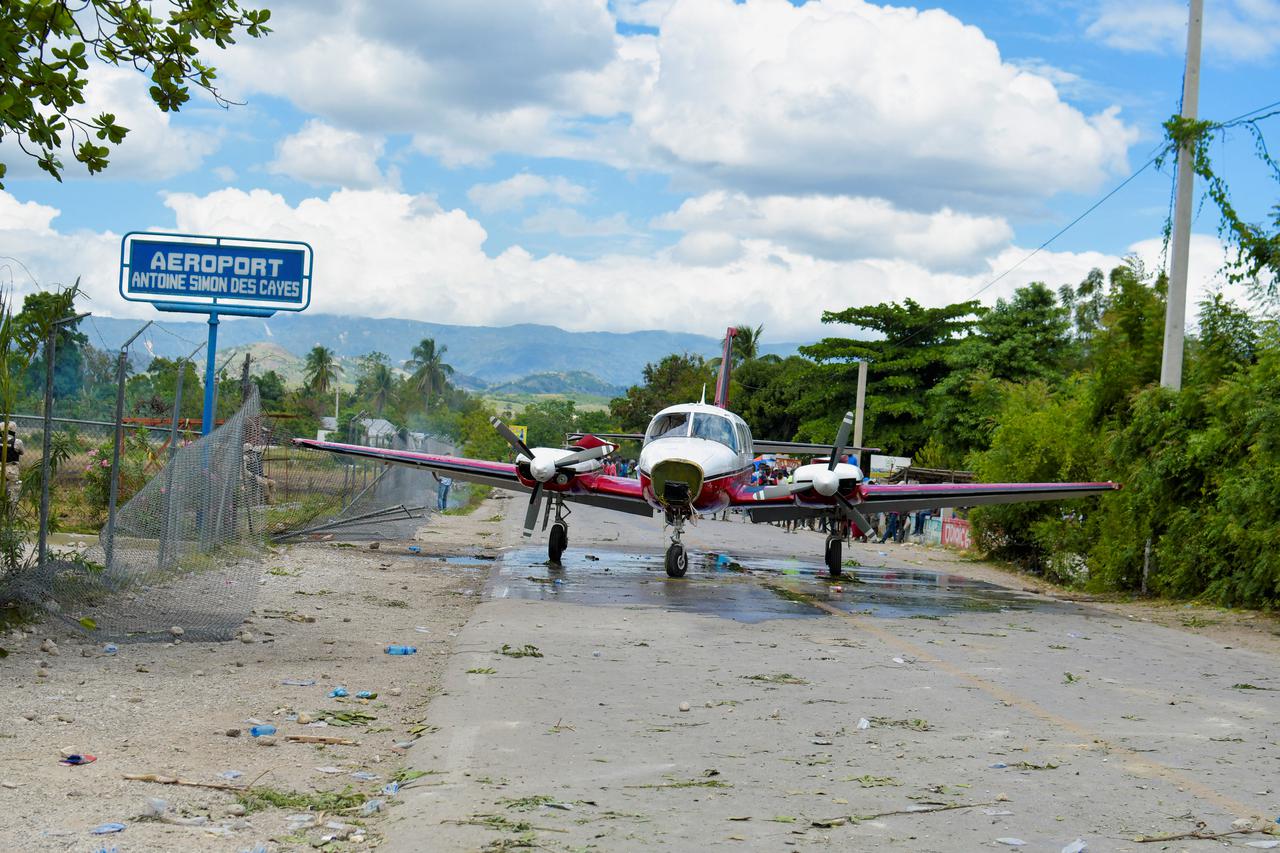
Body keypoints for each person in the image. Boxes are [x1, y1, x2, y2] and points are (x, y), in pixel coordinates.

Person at [3, 424, 23, 507]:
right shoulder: (17, 442)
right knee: (13, 493)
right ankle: (11, 516)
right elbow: (22, 452)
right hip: (12, 469)